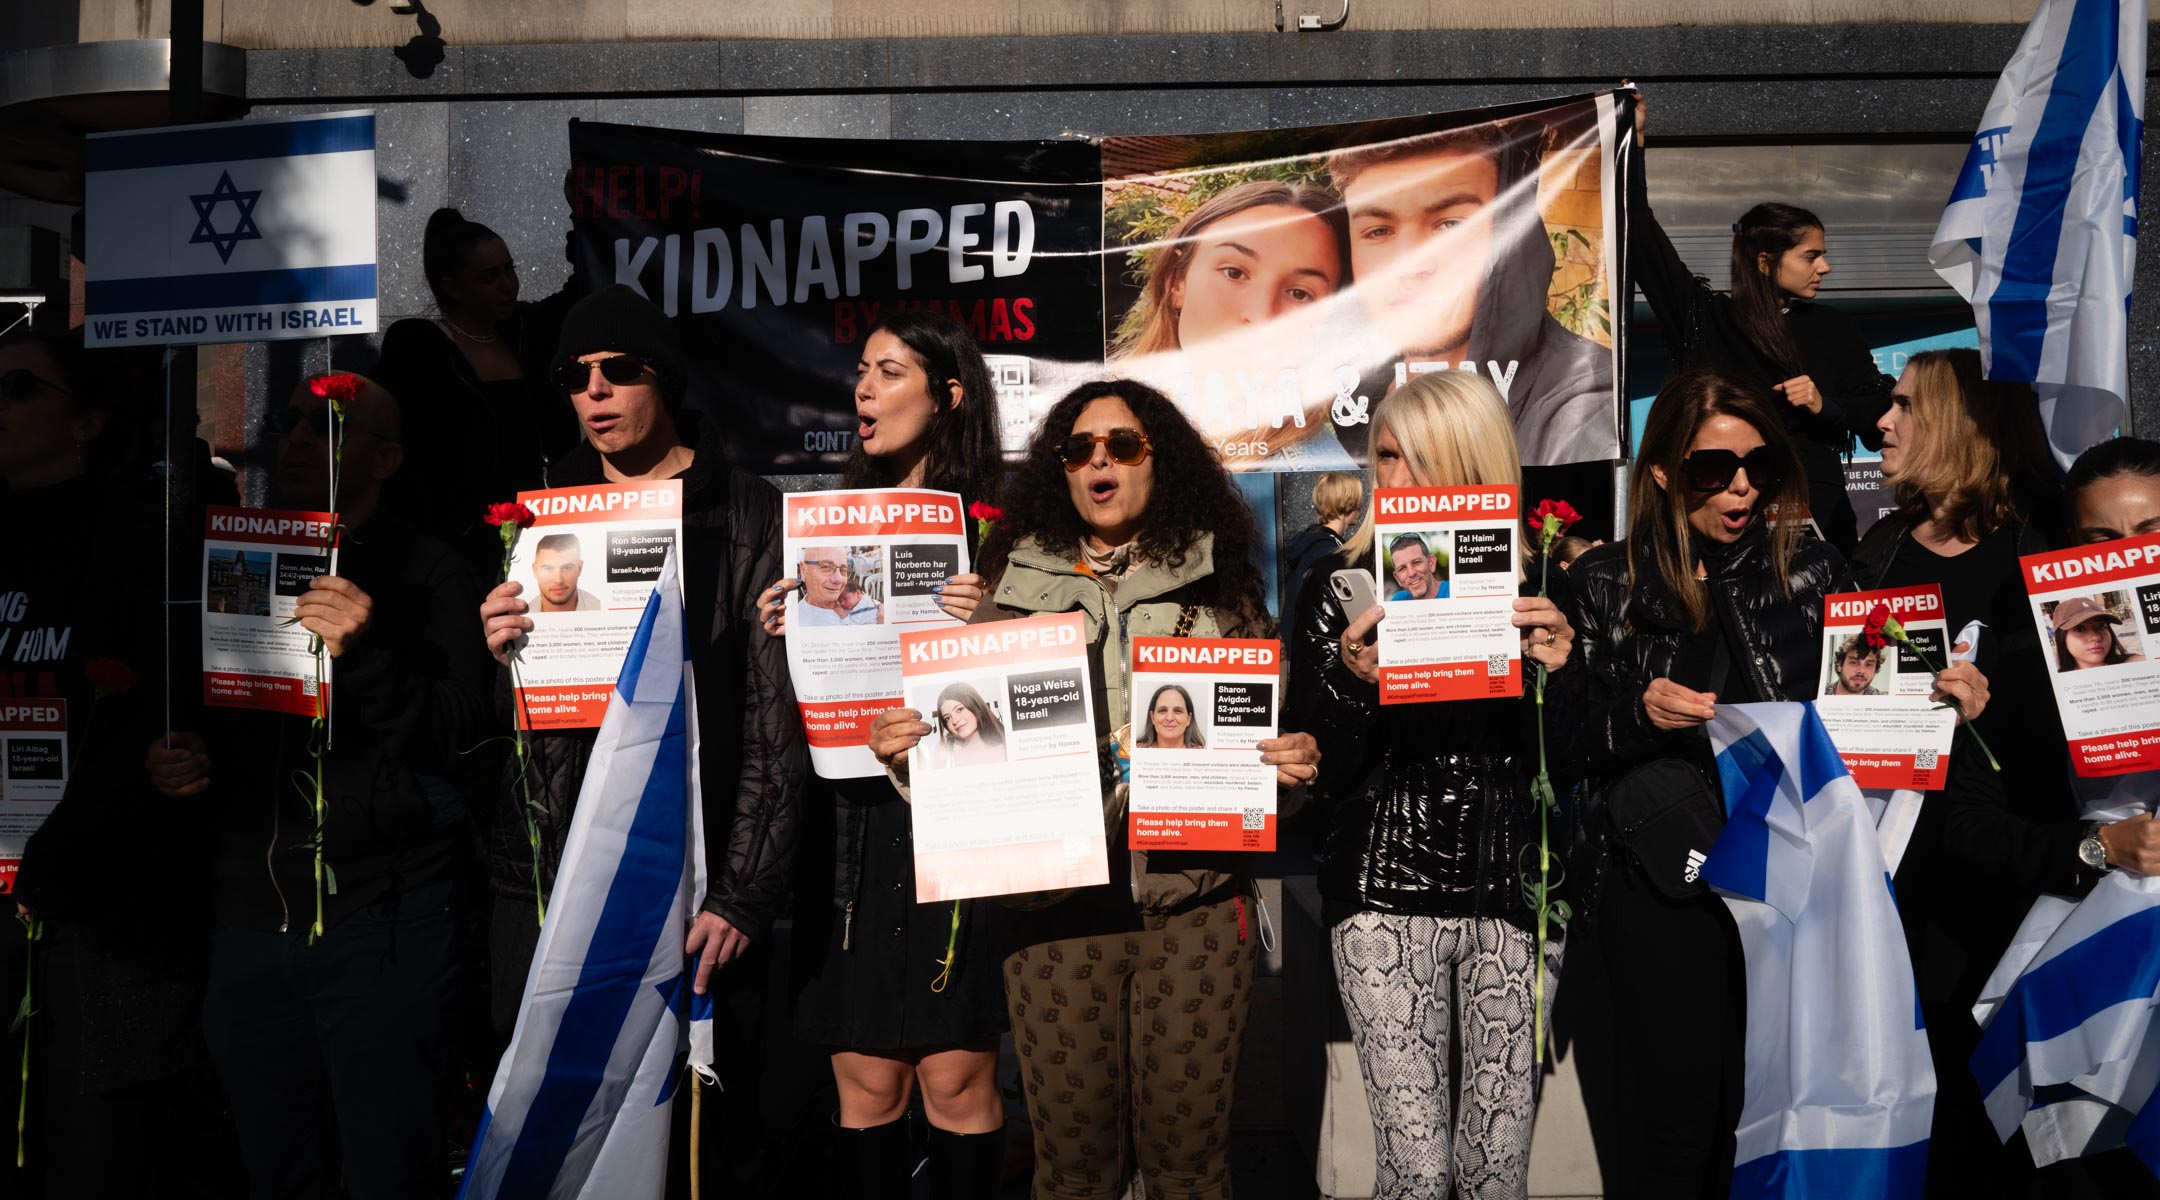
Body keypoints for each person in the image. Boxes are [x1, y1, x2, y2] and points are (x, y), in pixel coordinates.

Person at [868, 379, 1320, 1200]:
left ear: (1162, 462)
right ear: (1061, 469)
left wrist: (1286, 773)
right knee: (1073, 1175)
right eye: (1079, 449)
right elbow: (969, 761)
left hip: (1195, 918)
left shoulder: (1222, 589)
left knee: (1189, 1174)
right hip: (1054, 927)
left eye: (1123, 445)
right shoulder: (1007, 591)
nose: (1098, 461)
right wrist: (910, 760)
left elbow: (1258, 761)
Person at [476, 285, 804, 1193]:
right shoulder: (543, 511)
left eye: (619, 370)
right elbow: (503, 727)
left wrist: (743, 893)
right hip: (565, 885)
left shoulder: (743, 509)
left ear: (664, 377)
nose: (596, 392)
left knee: (705, 1143)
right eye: (575, 377)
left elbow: (775, 723)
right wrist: (495, 648)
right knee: (567, 1142)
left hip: (700, 887)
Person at [148, 371, 483, 1199]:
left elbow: (459, 738)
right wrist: (182, 760)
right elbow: (217, 719)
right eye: (292, 423)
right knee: (272, 1167)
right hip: (251, 919)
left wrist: (369, 651)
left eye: (327, 426)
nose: (299, 439)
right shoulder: (236, 552)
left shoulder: (431, 569)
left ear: (389, 457)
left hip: (380, 922)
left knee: (387, 1165)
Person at [1554, 369, 1846, 1198]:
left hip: (1789, 876)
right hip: (1659, 886)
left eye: (1761, 467)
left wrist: (1942, 705)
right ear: (1662, 473)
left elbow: (1868, 723)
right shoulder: (1605, 583)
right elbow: (1561, 745)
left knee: (1779, 1120)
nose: (1742, 488)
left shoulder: (1816, 572)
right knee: (1678, 1134)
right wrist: (1637, 716)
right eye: (1713, 470)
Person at [1285, 370, 1577, 1198]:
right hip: (1385, 887)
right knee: (1416, 1172)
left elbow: (1576, 759)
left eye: (1420, 459)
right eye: (1384, 455)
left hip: (1515, 894)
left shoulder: (1548, 584)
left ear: (1473, 465)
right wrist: (1350, 678)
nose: (1395, 478)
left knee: (1494, 1174)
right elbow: (1317, 772)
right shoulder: (1338, 591)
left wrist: (1564, 674)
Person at [758, 308, 1011, 1200]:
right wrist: (788, 637)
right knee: (868, 1083)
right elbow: (792, 713)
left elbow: (1050, 687)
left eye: (889, 372)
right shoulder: (827, 528)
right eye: (860, 372)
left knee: (955, 1079)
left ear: (948, 396)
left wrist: (993, 627)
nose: (864, 390)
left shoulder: (1008, 527)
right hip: (855, 830)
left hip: (961, 832)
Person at [0, 329, 221, 1199]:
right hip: (8, 898)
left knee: (99, 1155)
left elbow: (164, 717)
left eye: (20, 387)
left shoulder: (139, 541)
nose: (0, 406)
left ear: (85, 421)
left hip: (101, 917)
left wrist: (67, 847)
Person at [1628, 95, 1893, 555]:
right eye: (1811, 256)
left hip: (1819, 523)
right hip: (1714, 526)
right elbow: (1641, 233)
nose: (1825, 267)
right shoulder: (1706, 318)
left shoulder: (1832, 326)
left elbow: (1879, 415)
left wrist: (1824, 405)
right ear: (1766, 262)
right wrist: (1632, 143)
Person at [1329, 121, 1614, 465]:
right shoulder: (1344, 397)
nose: (1410, 265)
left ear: (1511, 236)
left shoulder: (1583, 401)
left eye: (1451, 225)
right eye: (1378, 231)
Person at [373, 208, 582, 577]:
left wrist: (582, 211)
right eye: (489, 277)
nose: (508, 285)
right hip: (466, 556)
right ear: (452, 286)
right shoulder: (420, 351)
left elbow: (583, 285)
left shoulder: (528, 331)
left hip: (546, 536)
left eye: (510, 269)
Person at [1112, 180, 1352, 467]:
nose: (1261, 317)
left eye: (1300, 293)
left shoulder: (1319, 472)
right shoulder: (1076, 414)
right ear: (1176, 281)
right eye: (1234, 273)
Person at [1282, 471, 1364, 616]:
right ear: (1347, 503)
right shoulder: (1326, 551)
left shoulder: (1312, 542)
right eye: (1358, 501)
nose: (1360, 507)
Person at [794, 545, 881, 626]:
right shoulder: (798, 622)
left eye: (843, 570)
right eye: (826, 567)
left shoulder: (844, 598)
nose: (839, 580)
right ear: (803, 570)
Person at [930, 682, 1009, 767]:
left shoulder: (1006, 742)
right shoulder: (947, 755)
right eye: (947, 718)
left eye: (959, 710)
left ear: (976, 705)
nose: (955, 721)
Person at [2052, 597, 2144, 670]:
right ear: (2062, 638)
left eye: (2101, 627)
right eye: (2079, 629)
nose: (2096, 637)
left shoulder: (2133, 665)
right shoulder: (2058, 682)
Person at [529, 533, 600, 611]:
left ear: (580, 568)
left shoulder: (600, 609)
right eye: (548, 568)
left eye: (566, 568)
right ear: (535, 570)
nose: (558, 580)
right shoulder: (521, 615)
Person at [1135, 682, 1206, 749]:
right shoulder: (1134, 752)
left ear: (1189, 719)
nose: (1169, 718)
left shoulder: (1202, 756)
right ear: (1152, 717)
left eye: (1178, 711)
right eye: (1162, 710)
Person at [1384, 532, 1448, 601]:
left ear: (1431, 563)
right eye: (1402, 568)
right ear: (1397, 579)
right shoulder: (1398, 600)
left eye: (1416, 562)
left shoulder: (1453, 592)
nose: (1411, 573)